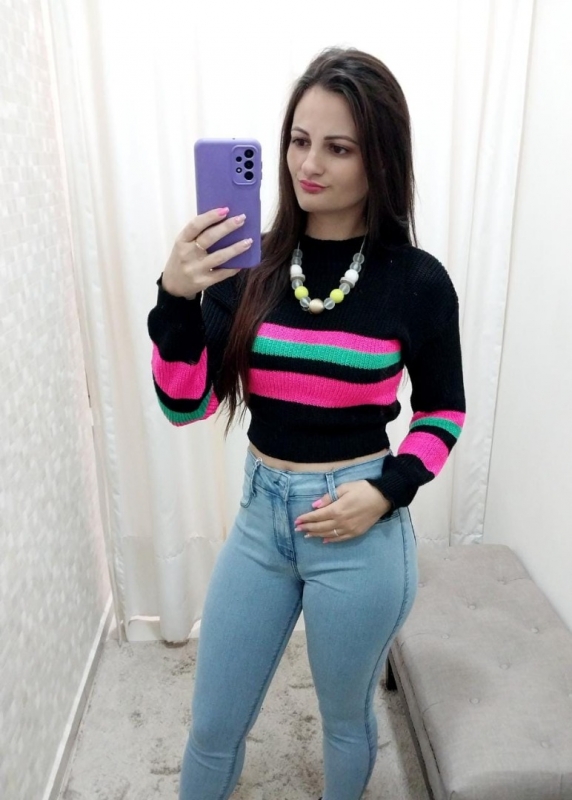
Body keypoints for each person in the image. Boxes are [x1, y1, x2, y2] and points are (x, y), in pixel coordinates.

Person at [147, 46, 466, 800]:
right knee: (211, 724)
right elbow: (185, 404)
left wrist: (386, 490)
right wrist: (175, 297)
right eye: (298, 140)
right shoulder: (248, 266)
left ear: (379, 159)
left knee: (345, 719)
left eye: (337, 147)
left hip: (359, 526)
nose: (308, 164)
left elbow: (443, 412)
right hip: (261, 519)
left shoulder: (416, 282)